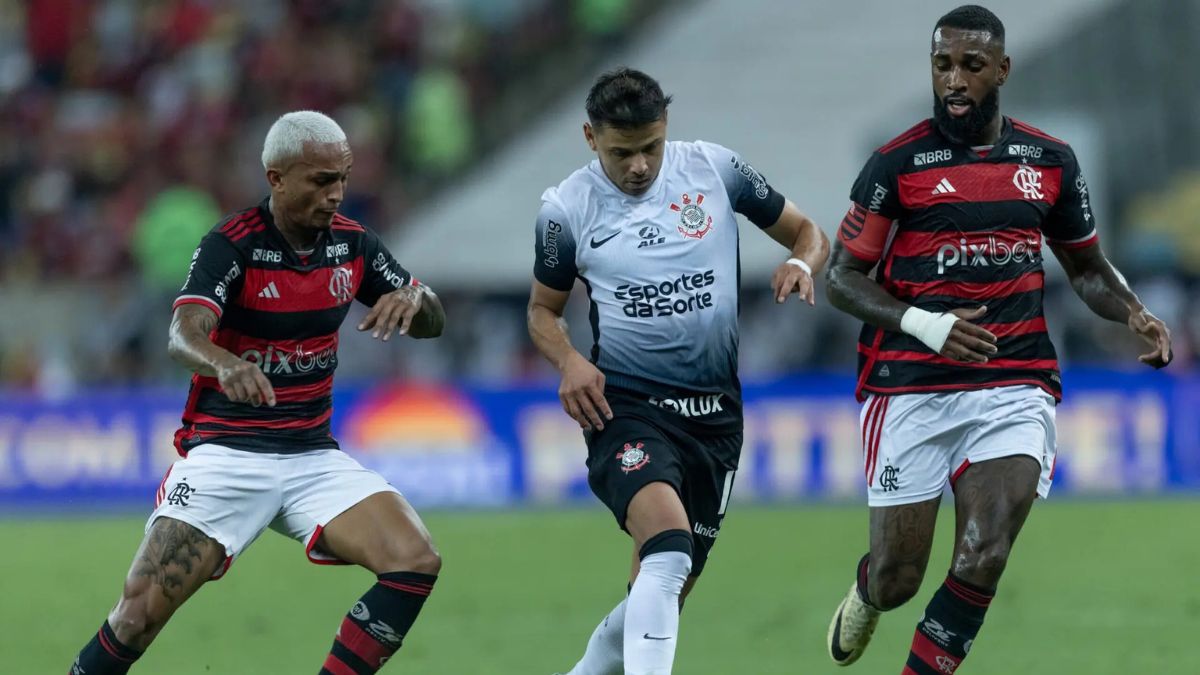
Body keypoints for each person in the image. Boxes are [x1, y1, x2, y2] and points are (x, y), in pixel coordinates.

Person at [823, 6, 1173, 674]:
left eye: (971, 66)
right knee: (900, 577)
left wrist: (1132, 310)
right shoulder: (897, 164)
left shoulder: (1048, 162)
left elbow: (1086, 268)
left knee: (985, 550)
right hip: (910, 385)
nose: (954, 80)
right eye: (942, 65)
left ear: (1002, 70)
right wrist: (927, 324)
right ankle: (869, 589)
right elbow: (842, 279)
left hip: (1013, 381)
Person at [69, 111, 447, 675]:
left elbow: (430, 319)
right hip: (227, 453)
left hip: (312, 456)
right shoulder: (233, 244)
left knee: (415, 560)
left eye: (342, 178)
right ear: (276, 178)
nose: (336, 194)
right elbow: (182, 333)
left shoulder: (354, 245)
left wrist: (418, 301)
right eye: (320, 181)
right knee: (138, 614)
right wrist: (223, 363)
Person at [528, 67, 829, 675]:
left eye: (651, 148)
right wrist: (569, 361)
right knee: (668, 549)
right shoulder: (566, 210)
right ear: (591, 138)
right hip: (625, 410)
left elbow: (808, 230)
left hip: (716, 419)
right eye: (622, 152)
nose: (639, 165)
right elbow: (542, 311)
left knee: (658, 594)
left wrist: (801, 260)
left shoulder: (714, 170)